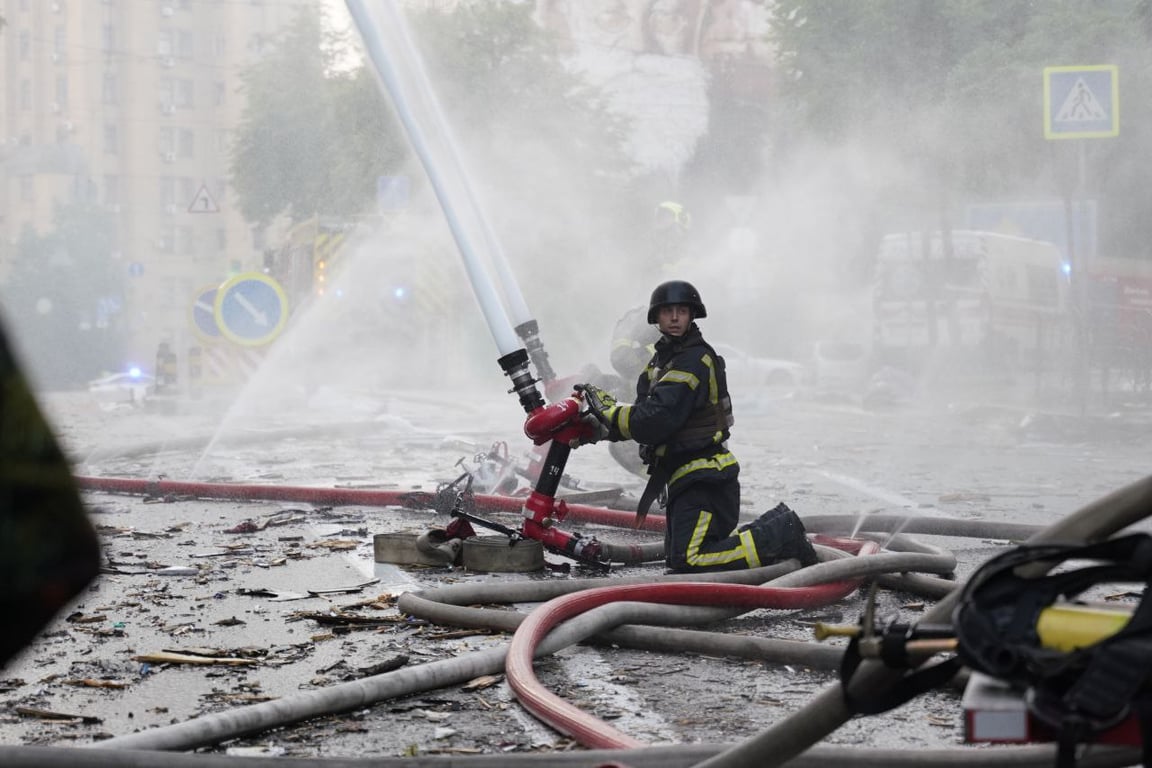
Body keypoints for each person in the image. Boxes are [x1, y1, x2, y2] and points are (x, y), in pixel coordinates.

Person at [574, 280, 817, 573]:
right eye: (668, 312)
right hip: (685, 476)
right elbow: (643, 415)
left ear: (692, 316)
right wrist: (595, 429)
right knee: (678, 559)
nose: (675, 318)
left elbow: (653, 420)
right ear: (656, 319)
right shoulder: (662, 361)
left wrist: (609, 413)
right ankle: (778, 525)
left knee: (691, 559)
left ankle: (782, 533)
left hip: (704, 480)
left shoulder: (691, 361)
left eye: (682, 311)